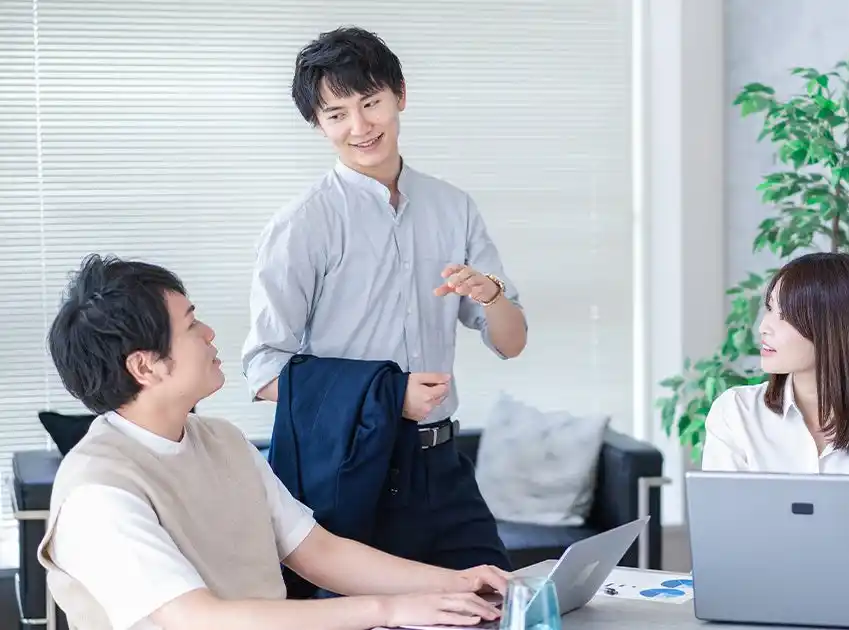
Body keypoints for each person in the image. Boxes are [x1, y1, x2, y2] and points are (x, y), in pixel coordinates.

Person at [37, 255, 510, 630]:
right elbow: (202, 620)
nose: (209, 333)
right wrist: (387, 610)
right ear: (145, 366)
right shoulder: (98, 494)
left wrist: (458, 583)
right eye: (191, 324)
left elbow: (318, 552)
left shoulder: (221, 440)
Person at [241, 26, 526, 571]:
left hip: (442, 463)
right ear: (317, 123)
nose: (360, 126)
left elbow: (511, 344)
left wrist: (491, 294)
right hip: (349, 469)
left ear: (400, 95)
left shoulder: (453, 207)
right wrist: (388, 397)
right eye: (337, 114)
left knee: (500, 599)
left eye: (371, 103)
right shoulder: (302, 225)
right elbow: (263, 370)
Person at [702, 252, 849, 479]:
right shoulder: (737, 414)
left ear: (834, 329)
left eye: (785, 315)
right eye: (769, 309)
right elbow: (721, 503)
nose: (764, 327)